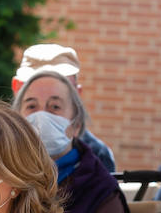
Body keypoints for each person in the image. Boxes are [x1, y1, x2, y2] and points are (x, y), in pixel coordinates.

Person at [14, 70, 129, 213]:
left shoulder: (99, 189)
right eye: (31, 106)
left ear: (76, 125)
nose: (41, 115)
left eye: (55, 107)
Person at [13, 43, 116, 171]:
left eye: (60, 84)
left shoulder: (97, 156)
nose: (42, 114)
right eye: (35, 82)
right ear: (16, 87)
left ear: (76, 94)